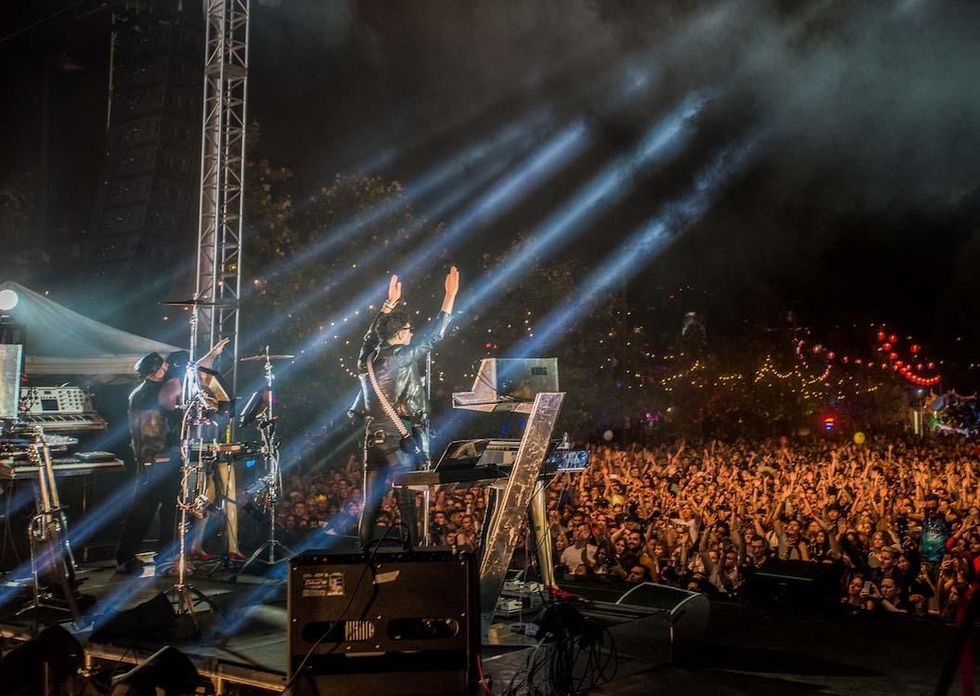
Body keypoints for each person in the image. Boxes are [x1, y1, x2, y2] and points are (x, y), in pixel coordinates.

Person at [356, 267, 459, 548]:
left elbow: (370, 336)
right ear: (401, 334)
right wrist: (449, 297)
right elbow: (434, 336)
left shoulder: (365, 359)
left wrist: (389, 304)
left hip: (372, 437)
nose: (412, 334)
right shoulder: (399, 357)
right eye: (410, 330)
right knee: (406, 503)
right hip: (396, 436)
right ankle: (412, 556)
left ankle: (363, 557)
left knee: (370, 506)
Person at [115, 352, 181, 574]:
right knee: (169, 510)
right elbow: (162, 426)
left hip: (145, 459)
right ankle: (165, 559)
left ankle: (125, 556)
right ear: (157, 371)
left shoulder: (137, 393)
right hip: (161, 457)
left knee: (141, 510)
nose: (166, 369)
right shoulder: (159, 393)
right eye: (163, 367)